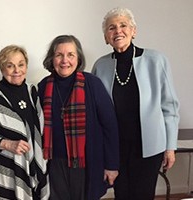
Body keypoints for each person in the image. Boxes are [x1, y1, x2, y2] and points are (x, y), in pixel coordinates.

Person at [92, 7, 180, 200]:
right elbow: (96, 111)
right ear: (106, 37)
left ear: (134, 31)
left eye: (123, 25)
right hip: (116, 148)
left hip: (149, 147)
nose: (118, 31)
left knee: (143, 195)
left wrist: (170, 147)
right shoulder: (100, 66)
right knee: (121, 195)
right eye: (111, 28)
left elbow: (170, 107)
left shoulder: (156, 61)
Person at [38, 35, 119, 200]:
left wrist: (111, 165)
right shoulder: (43, 86)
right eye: (59, 55)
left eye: (70, 55)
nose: (64, 60)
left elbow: (110, 126)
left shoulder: (93, 84)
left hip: (86, 162)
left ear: (78, 58)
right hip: (53, 162)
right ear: (52, 59)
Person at [0, 45, 49, 200]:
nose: (17, 70)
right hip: (7, 172)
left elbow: (39, 129)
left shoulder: (32, 91)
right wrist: (7, 144)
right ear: (2, 68)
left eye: (21, 64)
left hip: (34, 165)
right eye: (10, 66)